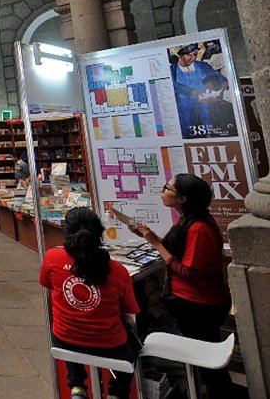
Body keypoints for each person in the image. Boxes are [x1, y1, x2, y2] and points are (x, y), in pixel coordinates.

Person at [132, 173, 234, 397]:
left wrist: (156, 243)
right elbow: (174, 250)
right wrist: (149, 237)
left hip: (200, 304)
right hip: (191, 301)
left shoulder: (199, 229)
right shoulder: (187, 219)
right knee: (202, 358)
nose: (162, 191)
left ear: (183, 198)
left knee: (207, 362)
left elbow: (188, 271)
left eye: (167, 188)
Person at [40, 208, 139, 399]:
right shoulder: (117, 270)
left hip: (64, 339)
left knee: (68, 328)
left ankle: (77, 385)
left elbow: (46, 283)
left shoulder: (52, 257)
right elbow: (131, 310)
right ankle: (117, 393)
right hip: (110, 343)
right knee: (134, 346)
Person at [170, 43, 230, 137]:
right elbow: (173, 85)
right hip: (184, 107)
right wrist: (190, 91)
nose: (193, 57)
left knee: (208, 129)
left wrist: (224, 81)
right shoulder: (172, 70)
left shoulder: (202, 65)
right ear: (181, 56)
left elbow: (215, 75)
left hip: (205, 105)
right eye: (190, 55)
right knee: (187, 132)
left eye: (195, 54)